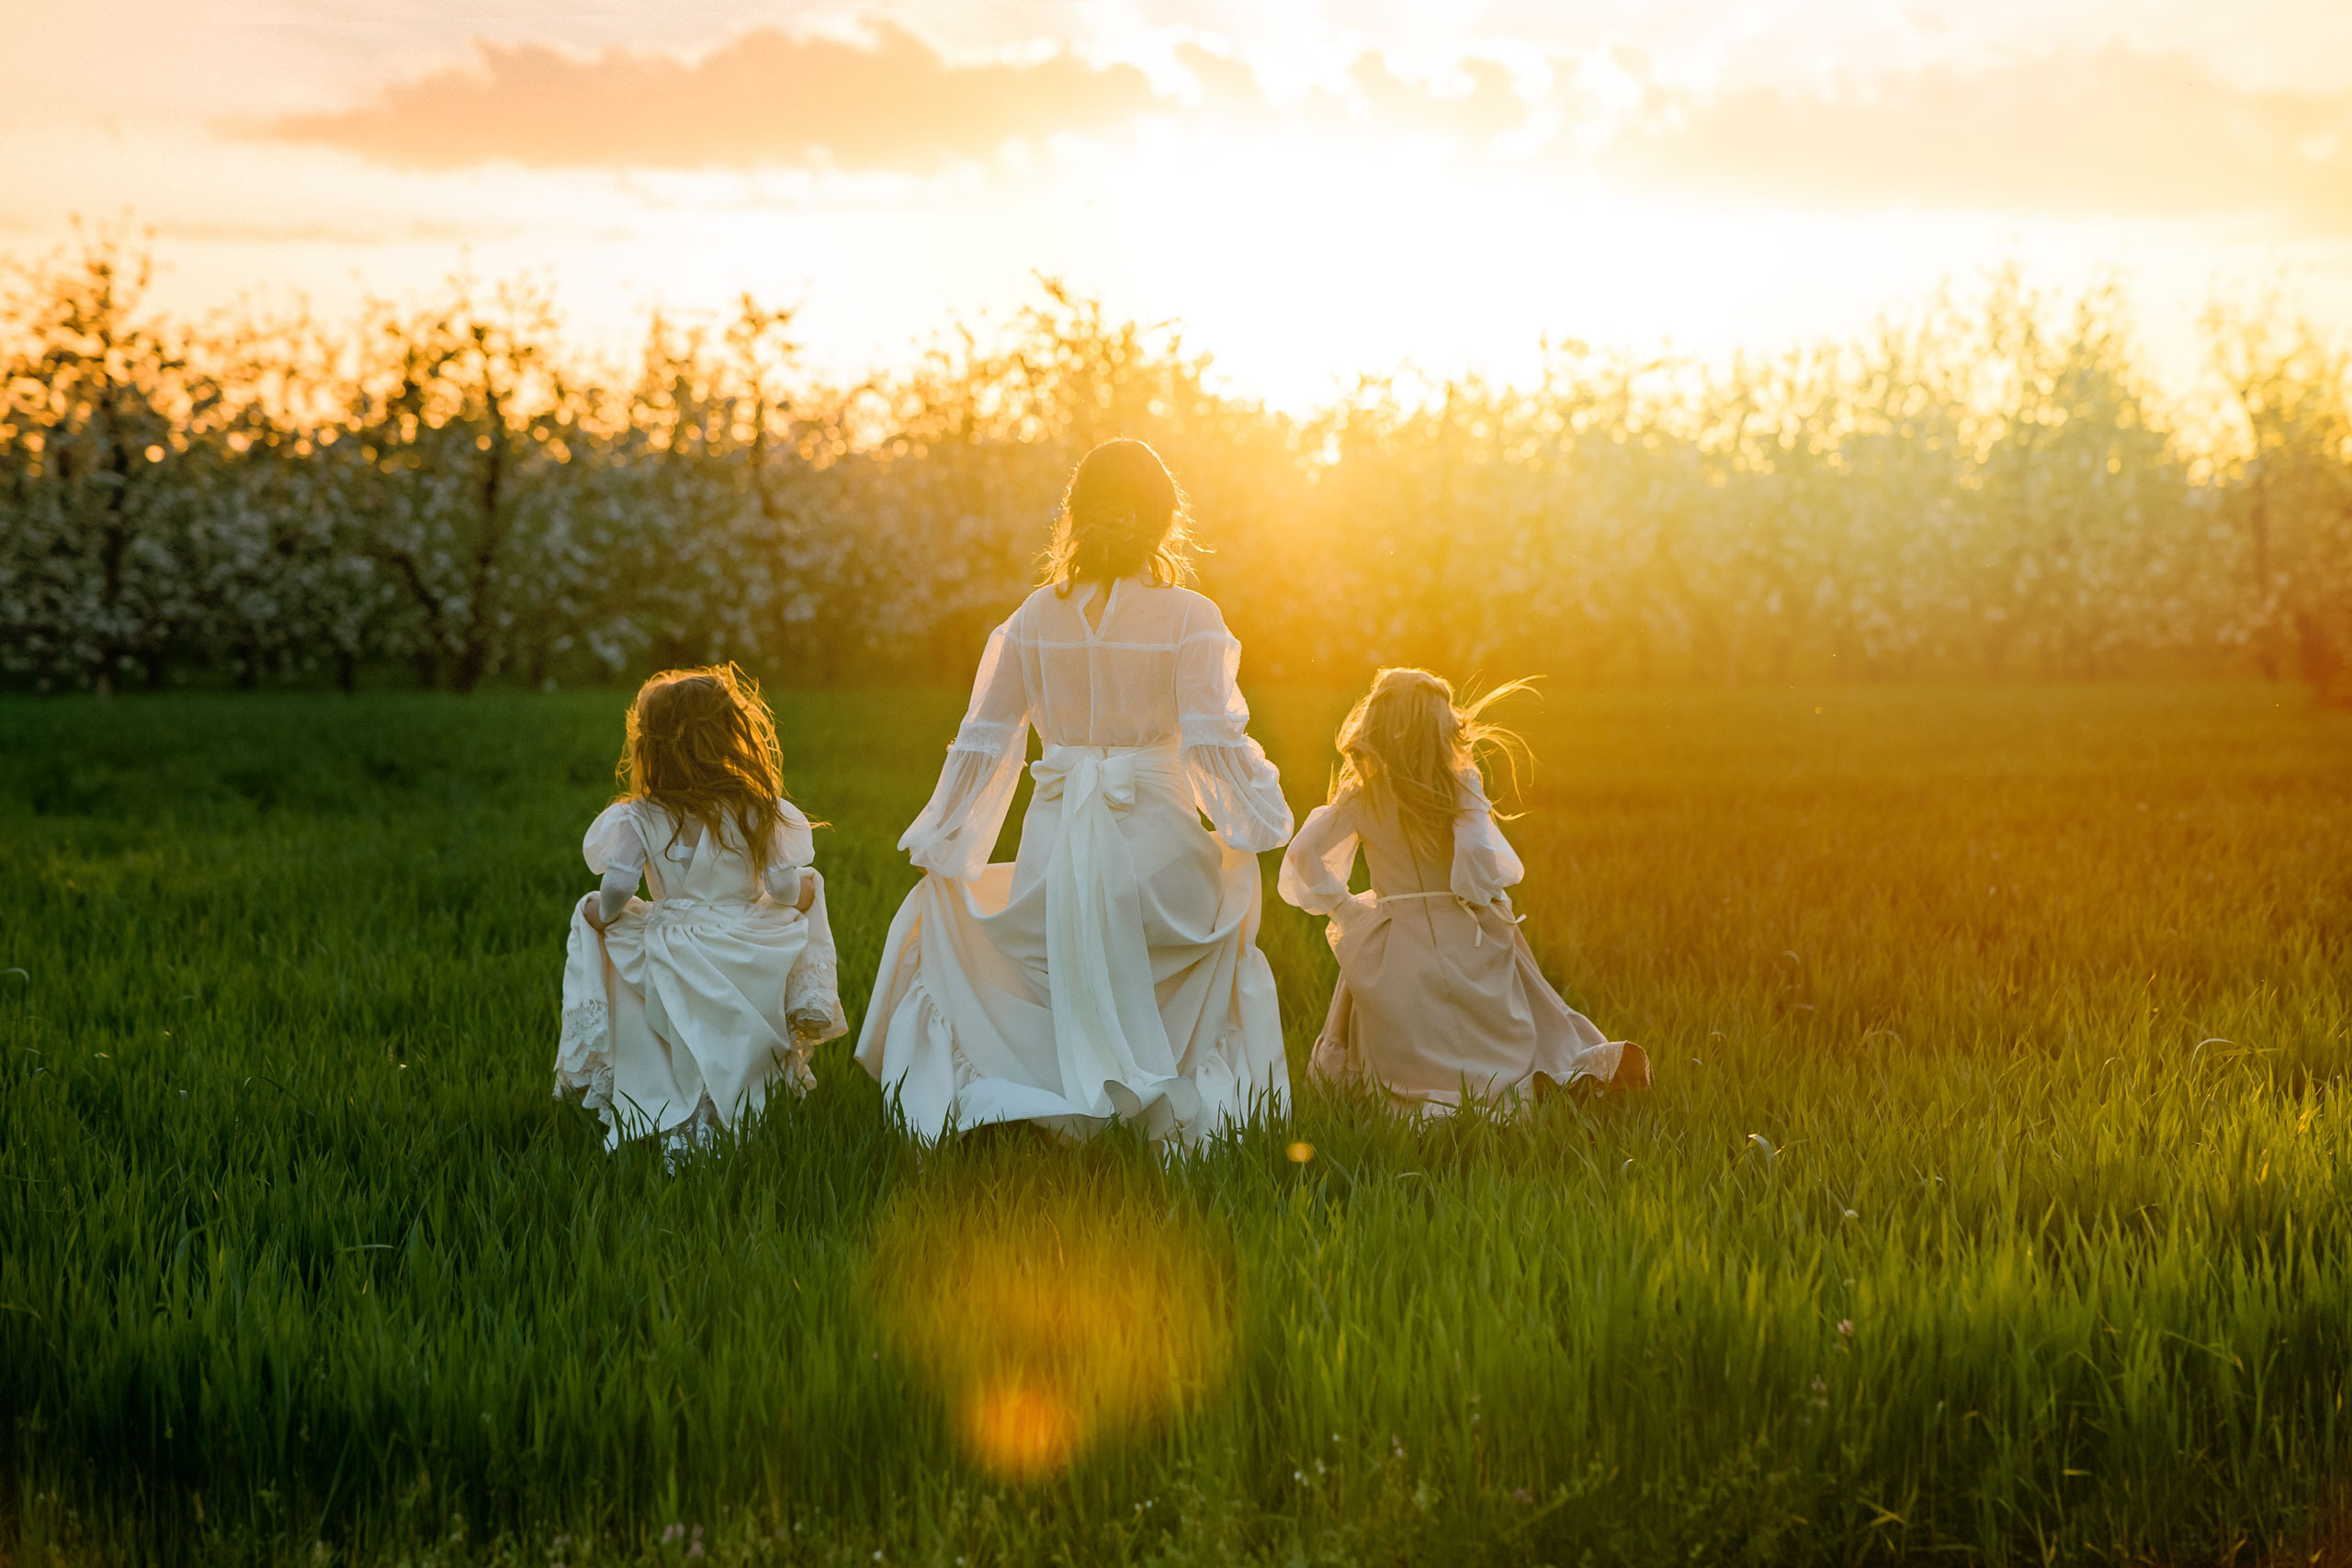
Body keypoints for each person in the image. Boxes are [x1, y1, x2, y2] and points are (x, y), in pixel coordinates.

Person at [857, 438, 1294, 1145]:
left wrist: (943, 837)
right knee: (1216, 898)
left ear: (1074, 513)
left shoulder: (1033, 617)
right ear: (1164, 520)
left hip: (1053, 851)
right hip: (1160, 850)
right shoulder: (1191, 617)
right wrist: (1257, 818)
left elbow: (985, 740)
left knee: (1032, 934)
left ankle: (1047, 1091)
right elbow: (1214, 741)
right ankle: (1162, 1094)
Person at [1277, 667, 1648, 1113]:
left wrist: (1347, 911)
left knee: (1402, 1037)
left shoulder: (1362, 795)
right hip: (1463, 922)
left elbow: (1303, 853)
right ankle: (1518, 1089)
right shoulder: (1458, 786)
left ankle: (1422, 1097)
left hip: (1393, 937)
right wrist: (1478, 896)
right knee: (1511, 1021)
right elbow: (1473, 858)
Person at [554, 664, 846, 1152]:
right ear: (732, 735)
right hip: (743, 939)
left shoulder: (640, 814)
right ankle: (742, 1113)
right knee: (736, 1028)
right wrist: (804, 897)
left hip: (672, 939)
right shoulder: (756, 806)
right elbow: (781, 883)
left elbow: (620, 885)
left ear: (650, 745)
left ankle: (672, 1109)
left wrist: (599, 916)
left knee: (675, 1030)